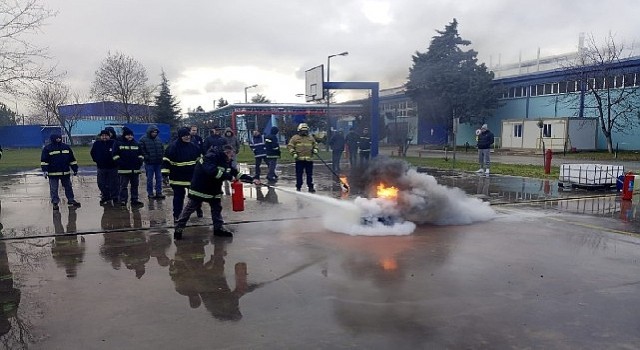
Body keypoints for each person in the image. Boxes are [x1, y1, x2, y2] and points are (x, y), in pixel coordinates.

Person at [174, 144, 261, 240]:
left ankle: (218, 228)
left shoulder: (225, 161)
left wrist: (252, 179)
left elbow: (235, 173)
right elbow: (212, 171)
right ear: (226, 153)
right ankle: (179, 228)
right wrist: (228, 177)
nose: (232, 158)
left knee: (217, 208)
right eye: (231, 155)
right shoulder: (209, 158)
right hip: (200, 188)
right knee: (189, 208)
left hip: (214, 189)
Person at [162, 127, 202, 222]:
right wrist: (165, 174)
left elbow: (199, 160)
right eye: (185, 136)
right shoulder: (173, 147)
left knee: (195, 196)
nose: (187, 137)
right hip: (177, 177)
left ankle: (198, 209)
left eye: (188, 135)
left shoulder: (193, 146)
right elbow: (166, 161)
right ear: (180, 136)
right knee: (178, 197)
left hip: (191, 176)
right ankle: (177, 215)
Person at [41, 133, 81, 210]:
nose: (58, 139)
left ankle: (71, 200)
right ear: (53, 139)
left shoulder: (66, 147)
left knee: (68, 187)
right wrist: (45, 170)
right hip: (53, 173)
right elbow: (44, 161)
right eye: (57, 138)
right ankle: (55, 203)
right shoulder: (47, 148)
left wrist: (75, 168)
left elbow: (72, 159)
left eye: (59, 138)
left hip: (65, 172)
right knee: (54, 189)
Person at [113, 127, 145, 208]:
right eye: (128, 135)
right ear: (124, 136)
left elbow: (141, 155)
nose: (130, 136)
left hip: (135, 170)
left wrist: (139, 162)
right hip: (124, 170)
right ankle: (123, 200)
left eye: (131, 135)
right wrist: (121, 163)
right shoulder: (119, 144)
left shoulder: (137, 144)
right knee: (123, 186)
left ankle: (134, 200)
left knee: (135, 186)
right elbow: (115, 155)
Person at [90, 129, 119, 206]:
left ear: (109, 136)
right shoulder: (97, 144)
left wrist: (116, 161)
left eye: (106, 135)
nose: (104, 137)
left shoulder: (114, 143)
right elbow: (92, 153)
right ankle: (106, 196)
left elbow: (118, 152)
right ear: (100, 136)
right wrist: (97, 160)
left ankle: (115, 197)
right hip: (101, 167)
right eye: (103, 136)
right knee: (101, 183)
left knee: (114, 183)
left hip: (113, 167)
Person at [287, 123, 318, 193]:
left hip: (309, 160)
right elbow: (290, 146)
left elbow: (315, 145)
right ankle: (298, 187)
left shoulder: (311, 138)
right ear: (299, 131)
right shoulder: (295, 138)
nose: (304, 132)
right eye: (302, 131)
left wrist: (315, 149)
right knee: (299, 175)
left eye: (305, 131)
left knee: (309, 175)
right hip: (299, 160)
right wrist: (293, 153)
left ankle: (310, 187)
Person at [139, 125, 165, 199]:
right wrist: (147, 157)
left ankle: (159, 192)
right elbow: (141, 150)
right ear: (150, 132)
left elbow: (162, 148)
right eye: (153, 132)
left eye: (156, 132)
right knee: (150, 179)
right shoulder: (143, 139)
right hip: (149, 163)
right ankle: (150, 193)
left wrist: (161, 157)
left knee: (159, 178)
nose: (155, 133)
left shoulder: (158, 139)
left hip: (158, 162)